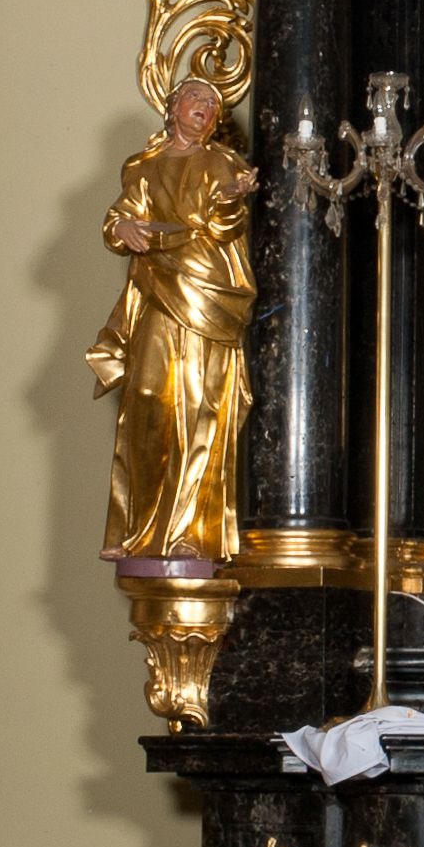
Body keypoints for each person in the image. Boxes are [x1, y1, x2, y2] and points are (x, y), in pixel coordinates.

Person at [86, 75, 257, 563]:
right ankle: (138, 526)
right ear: (173, 105)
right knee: (148, 401)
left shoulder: (224, 163)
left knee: (200, 408)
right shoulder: (143, 166)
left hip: (207, 296)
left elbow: (226, 224)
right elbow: (120, 218)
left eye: (213, 103)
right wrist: (121, 226)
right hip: (158, 291)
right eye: (195, 97)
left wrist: (231, 200)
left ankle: (189, 531)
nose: (205, 106)